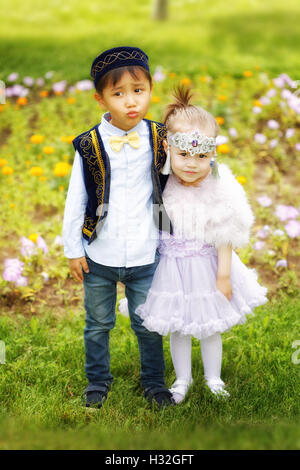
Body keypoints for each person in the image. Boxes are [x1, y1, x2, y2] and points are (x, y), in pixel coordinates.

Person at [135, 87, 268, 403]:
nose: (191, 164)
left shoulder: (218, 186)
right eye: (183, 155)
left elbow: (226, 232)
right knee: (178, 326)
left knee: (209, 326)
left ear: (213, 155)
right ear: (168, 149)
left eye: (201, 156)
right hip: (170, 268)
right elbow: (152, 222)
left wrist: (223, 275)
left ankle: (214, 377)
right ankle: (182, 378)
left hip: (207, 266)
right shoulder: (161, 183)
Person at [62, 46, 175, 409]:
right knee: (97, 324)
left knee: (148, 323)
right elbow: (75, 201)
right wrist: (73, 250)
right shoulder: (88, 144)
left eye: (138, 91)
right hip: (100, 254)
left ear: (150, 90)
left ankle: (154, 382)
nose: (131, 102)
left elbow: (178, 182)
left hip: (145, 252)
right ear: (101, 98)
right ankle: (98, 380)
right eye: (118, 93)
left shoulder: (160, 138)